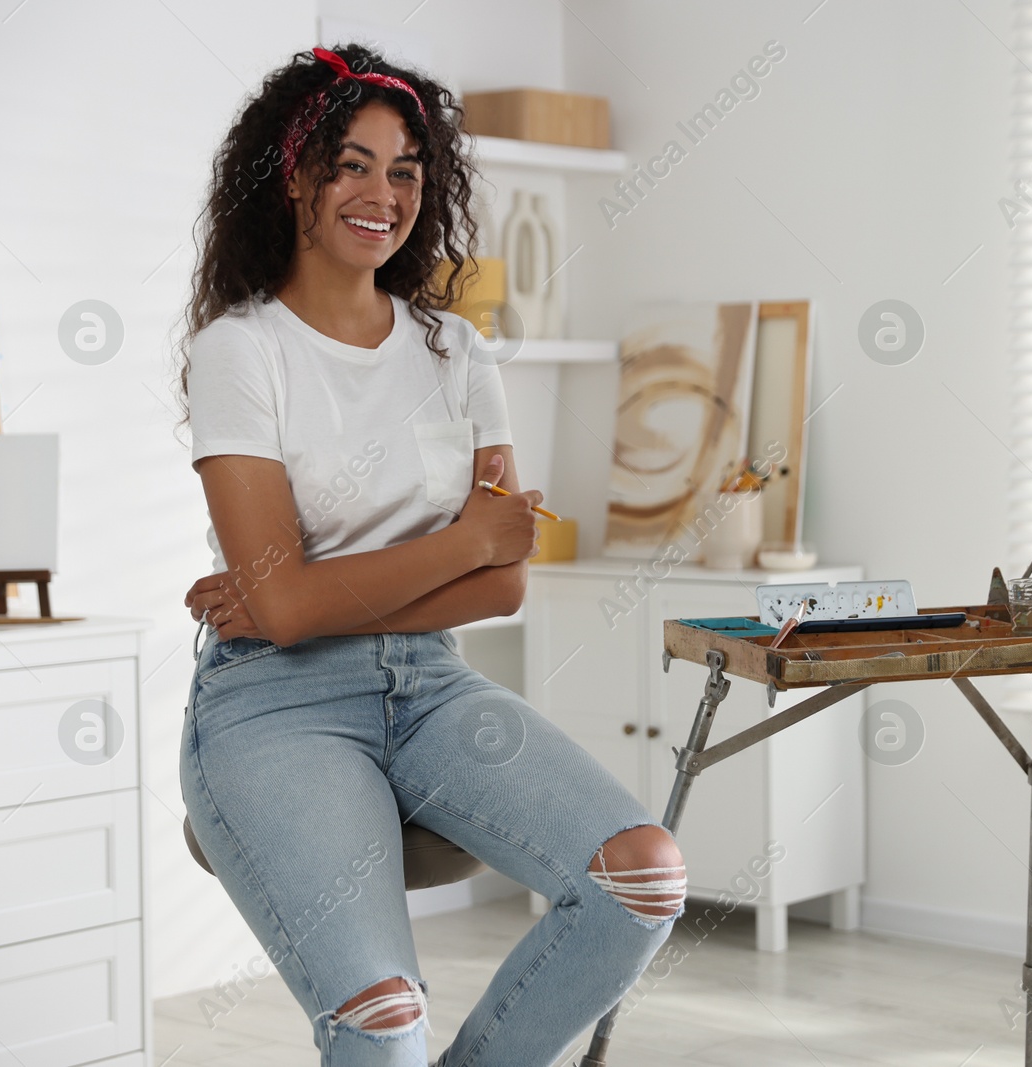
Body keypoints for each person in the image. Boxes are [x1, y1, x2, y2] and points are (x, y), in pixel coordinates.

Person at [171, 44, 685, 1067]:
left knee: (642, 872)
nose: (382, 192)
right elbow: (298, 615)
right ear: (295, 175)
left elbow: (502, 581)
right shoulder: (241, 349)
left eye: (406, 169)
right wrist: (450, 544)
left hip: (432, 683)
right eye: (352, 163)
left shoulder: (456, 351)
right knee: (381, 1014)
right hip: (273, 702)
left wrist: (310, 594)